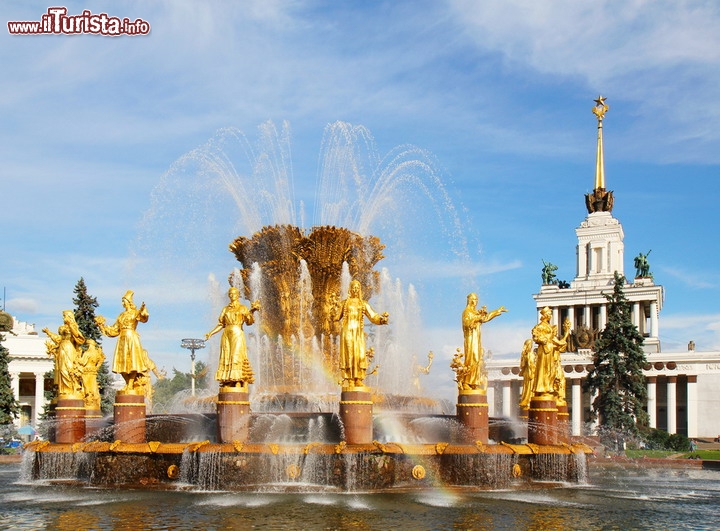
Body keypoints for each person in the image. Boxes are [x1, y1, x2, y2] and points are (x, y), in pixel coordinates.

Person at [334, 279, 388, 388]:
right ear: (350, 289)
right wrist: (333, 309)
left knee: (359, 355)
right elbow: (336, 317)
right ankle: (350, 379)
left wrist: (382, 319)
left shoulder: (363, 304)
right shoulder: (344, 303)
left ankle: (358, 378)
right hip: (347, 331)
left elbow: (373, 316)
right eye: (353, 287)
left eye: (357, 288)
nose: (355, 289)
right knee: (349, 354)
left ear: (359, 290)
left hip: (358, 333)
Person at [96, 290, 150, 393]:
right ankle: (127, 384)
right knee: (121, 364)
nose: (122, 303)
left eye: (124, 301)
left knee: (133, 363)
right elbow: (114, 330)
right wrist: (102, 326)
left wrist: (143, 310)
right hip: (122, 340)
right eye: (122, 301)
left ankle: (130, 385)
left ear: (129, 302)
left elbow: (143, 318)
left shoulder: (135, 313)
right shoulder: (121, 315)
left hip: (132, 338)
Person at [206, 287, 260, 387]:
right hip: (226, 334)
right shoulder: (225, 309)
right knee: (226, 356)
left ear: (238, 295)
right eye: (230, 294)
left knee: (236, 355)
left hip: (237, 332)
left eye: (234, 293)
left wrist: (252, 311)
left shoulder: (243, 308)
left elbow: (249, 322)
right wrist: (210, 333)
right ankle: (228, 380)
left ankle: (238, 380)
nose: (231, 295)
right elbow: (221, 324)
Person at [460, 293, 507, 391]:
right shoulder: (467, 312)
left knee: (477, 360)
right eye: (474, 299)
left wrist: (497, 311)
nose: (475, 301)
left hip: (476, 340)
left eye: (477, 299)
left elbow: (485, 318)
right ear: (469, 300)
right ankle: (466, 382)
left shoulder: (475, 312)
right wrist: (478, 317)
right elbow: (467, 323)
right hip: (470, 339)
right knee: (471, 359)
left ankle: (473, 382)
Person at [43, 310, 85, 398]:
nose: (63, 318)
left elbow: (78, 336)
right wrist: (49, 333)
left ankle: (73, 388)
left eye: (64, 316)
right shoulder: (62, 328)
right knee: (62, 369)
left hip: (70, 349)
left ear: (69, 317)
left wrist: (70, 324)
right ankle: (64, 390)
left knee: (70, 368)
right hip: (62, 349)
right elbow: (59, 339)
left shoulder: (73, 326)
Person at [532, 307, 569, 399]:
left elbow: (555, 340)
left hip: (550, 350)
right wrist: (543, 340)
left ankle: (548, 387)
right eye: (549, 314)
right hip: (544, 350)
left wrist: (565, 335)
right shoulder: (540, 326)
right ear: (545, 315)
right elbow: (535, 336)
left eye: (550, 314)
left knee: (550, 370)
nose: (550, 316)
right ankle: (541, 389)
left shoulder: (549, 327)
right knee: (543, 369)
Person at [77, 339, 106, 410]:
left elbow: (82, 362)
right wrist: (97, 367)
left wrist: (79, 354)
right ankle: (93, 400)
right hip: (93, 371)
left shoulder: (87, 353)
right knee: (93, 386)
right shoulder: (96, 353)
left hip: (86, 371)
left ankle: (87, 400)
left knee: (86, 386)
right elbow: (101, 360)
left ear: (89, 345)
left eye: (88, 345)